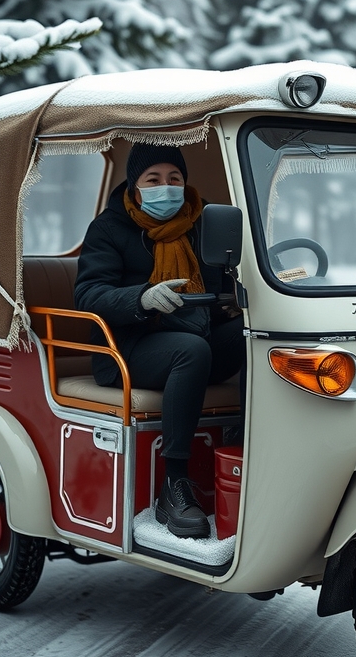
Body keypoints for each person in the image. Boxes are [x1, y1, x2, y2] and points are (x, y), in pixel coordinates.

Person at [74, 144, 243, 539]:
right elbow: (88, 294)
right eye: (153, 180)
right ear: (135, 187)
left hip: (193, 336)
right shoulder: (108, 229)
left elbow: (214, 292)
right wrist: (141, 298)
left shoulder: (202, 223)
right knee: (191, 350)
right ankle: (175, 485)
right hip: (126, 351)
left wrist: (234, 301)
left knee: (249, 336)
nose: (165, 188)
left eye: (174, 179)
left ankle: (242, 447)